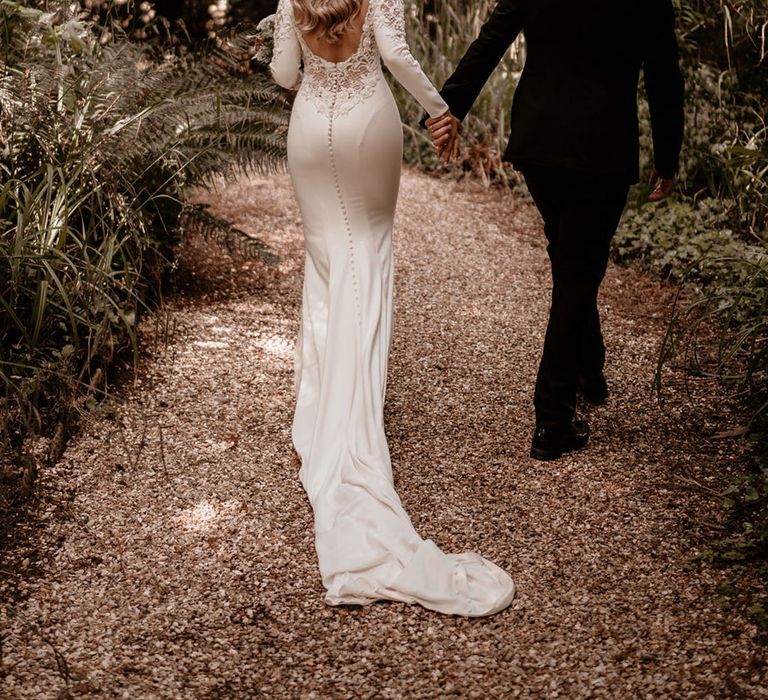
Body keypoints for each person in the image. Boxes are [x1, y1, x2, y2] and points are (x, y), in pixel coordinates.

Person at [269, 0, 515, 616]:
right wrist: (440, 110)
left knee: (325, 258)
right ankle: (354, 420)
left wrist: (289, 45)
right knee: (369, 250)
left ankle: (324, 407)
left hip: (308, 129)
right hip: (368, 126)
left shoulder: (290, 1)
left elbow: (284, 75)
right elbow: (398, 57)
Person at [427, 0, 685, 461]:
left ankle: (591, 369)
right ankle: (552, 419)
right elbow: (663, 72)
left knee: (570, 256)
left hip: (539, 139)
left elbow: (492, 39)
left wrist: (449, 109)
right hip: (601, 147)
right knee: (578, 273)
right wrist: (668, 157)